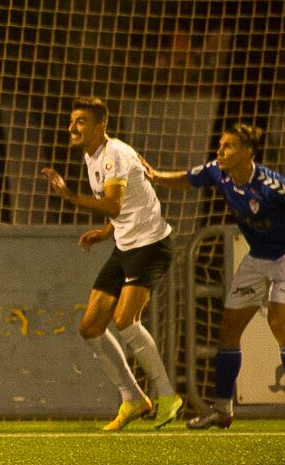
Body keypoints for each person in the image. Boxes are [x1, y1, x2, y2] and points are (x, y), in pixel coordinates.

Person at [39, 96, 183, 430]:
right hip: (124, 246)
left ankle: (166, 393)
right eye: (72, 120)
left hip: (151, 245)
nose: (72, 127)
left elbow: (115, 204)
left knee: (125, 320)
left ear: (100, 125)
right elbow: (124, 205)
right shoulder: (94, 156)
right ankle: (132, 398)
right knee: (90, 327)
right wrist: (105, 233)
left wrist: (71, 197)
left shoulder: (114, 154)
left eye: (81, 122)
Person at [147, 123, 285, 429]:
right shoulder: (217, 172)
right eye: (220, 145)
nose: (220, 151)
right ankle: (222, 409)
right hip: (257, 258)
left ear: (248, 152)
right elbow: (187, 179)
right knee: (228, 331)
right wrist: (156, 177)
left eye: (229, 146)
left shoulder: (272, 187)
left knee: (279, 324)